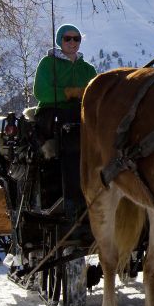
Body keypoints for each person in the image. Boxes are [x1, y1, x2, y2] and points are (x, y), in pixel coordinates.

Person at [32, 24, 97, 216]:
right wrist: (68, 93)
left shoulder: (88, 69)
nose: (72, 42)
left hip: (81, 114)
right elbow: (41, 93)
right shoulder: (48, 63)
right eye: (68, 38)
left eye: (76, 39)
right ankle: (72, 200)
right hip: (52, 115)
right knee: (71, 138)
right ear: (60, 41)